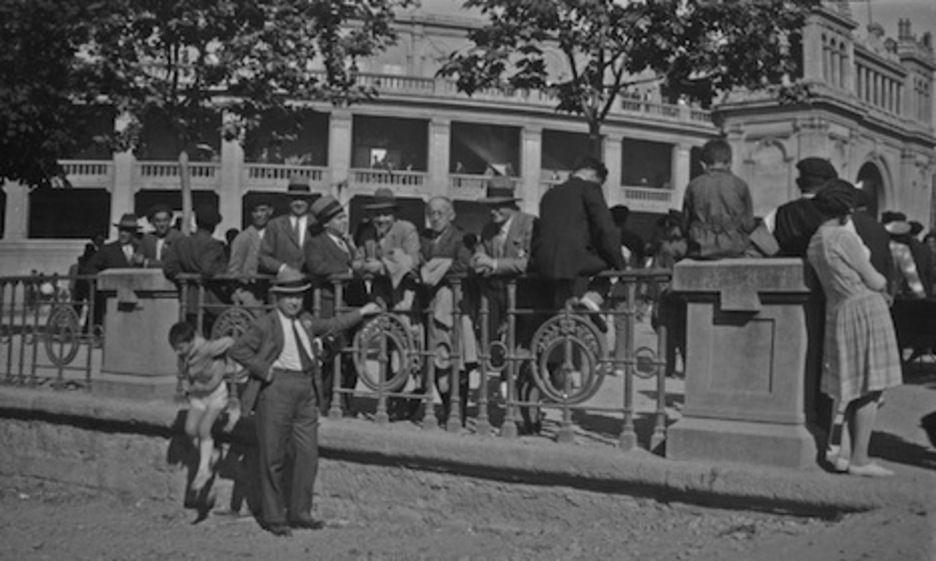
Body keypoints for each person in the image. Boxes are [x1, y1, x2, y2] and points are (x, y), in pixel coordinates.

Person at [228, 268, 380, 536]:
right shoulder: (266, 323)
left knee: (307, 455)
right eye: (289, 297)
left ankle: (300, 513)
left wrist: (362, 312)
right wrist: (264, 369)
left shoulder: (305, 320)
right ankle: (275, 518)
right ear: (277, 298)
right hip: (275, 391)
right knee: (272, 457)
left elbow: (333, 324)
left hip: (305, 392)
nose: (295, 302)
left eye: (298, 296)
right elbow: (238, 349)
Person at [806, 180, 902, 478]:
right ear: (846, 210)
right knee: (872, 387)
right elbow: (875, 280)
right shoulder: (843, 238)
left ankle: (846, 455)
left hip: (840, 311)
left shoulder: (816, 240)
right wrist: (884, 284)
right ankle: (860, 458)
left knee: (852, 388)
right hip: (865, 308)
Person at [532, 155, 626, 331]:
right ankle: (591, 300)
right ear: (592, 175)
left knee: (563, 302)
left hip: (545, 261)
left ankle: (564, 337)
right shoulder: (589, 188)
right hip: (575, 258)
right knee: (609, 268)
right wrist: (621, 265)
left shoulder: (549, 194)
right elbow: (605, 229)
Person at [472, 178, 539, 401]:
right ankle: (502, 386)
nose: (493, 211)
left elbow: (530, 262)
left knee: (523, 349)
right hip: (494, 296)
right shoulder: (487, 229)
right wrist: (480, 263)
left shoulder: (530, 224)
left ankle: (526, 399)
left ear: (512, 205)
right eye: (489, 206)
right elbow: (480, 255)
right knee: (492, 344)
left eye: (499, 205)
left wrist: (494, 265)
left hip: (524, 296)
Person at [302, 195, 366, 412]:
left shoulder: (347, 242)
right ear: (326, 223)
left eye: (344, 217)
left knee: (350, 354)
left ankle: (346, 400)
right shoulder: (316, 243)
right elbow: (316, 267)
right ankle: (326, 401)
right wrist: (347, 272)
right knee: (331, 353)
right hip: (330, 304)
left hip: (351, 303)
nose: (344, 222)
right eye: (339, 219)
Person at [420, 196, 476, 424]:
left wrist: (436, 267)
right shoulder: (425, 239)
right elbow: (417, 264)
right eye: (431, 213)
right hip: (428, 306)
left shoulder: (461, 238)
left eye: (439, 213)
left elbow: (464, 265)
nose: (434, 218)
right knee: (434, 359)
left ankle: (458, 412)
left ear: (451, 215)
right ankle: (446, 407)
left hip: (454, 306)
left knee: (456, 359)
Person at [169, 321, 239, 492]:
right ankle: (211, 454)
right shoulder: (187, 355)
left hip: (215, 395)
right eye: (175, 348)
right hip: (199, 396)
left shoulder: (205, 348)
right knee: (190, 429)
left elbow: (229, 341)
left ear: (191, 341)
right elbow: (189, 374)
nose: (177, 352)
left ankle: (203, 470)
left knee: (204, 430)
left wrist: (227, 361)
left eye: (180, 347)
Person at [682, 139, 756, 259]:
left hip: (700, 249)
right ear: (729, 162)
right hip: (734, 248)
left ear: (703, 163)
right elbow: (748, 224)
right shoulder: (740, 185)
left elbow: (685, 224)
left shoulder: (693, 185)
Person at [353, 187, 420, 310]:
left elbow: (413, 262)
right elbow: (357, 262)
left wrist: (382, 267)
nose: (381, 219)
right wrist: (365, 266)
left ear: (394, 215)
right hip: (378, 294)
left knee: (403, 325)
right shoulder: (367, 234)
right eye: (377, 215)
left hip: (404, 293)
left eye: (386, 214)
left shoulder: (407, 230)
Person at [163, 207, 229, 330]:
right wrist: (224, 269)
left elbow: (169, 267)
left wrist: (184, 276)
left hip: (188, 301)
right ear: (213, 227)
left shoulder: (181, 243)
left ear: (197, 223)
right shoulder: (213, 245)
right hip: (210, 302)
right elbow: (208, 269)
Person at [763, 157, 839, 257]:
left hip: (787, 270)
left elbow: (760, 243)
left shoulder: (778, 212)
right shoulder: (837, 212)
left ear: (798, 183)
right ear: (830, 185)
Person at [258, 176, 316, 275]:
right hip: (282, 285)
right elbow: (263, 257)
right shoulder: (275, 225)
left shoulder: (317, 225)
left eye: (303, 199)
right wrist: (282, 268)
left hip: (311, 285)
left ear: (309, 201)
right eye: (294, 199)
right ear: (288, 200)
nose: (299, 203)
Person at [228, 198, 274, 307]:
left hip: (272, 290)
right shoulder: (243, 237)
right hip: (251, 291)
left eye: (263, 210)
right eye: (255, 211)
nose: (259, 215)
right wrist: (239, 293)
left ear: (270, 211)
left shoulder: (274, 234)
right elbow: (233, 269)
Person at [140, 204, 183, 268]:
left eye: (165, 220)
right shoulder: (147, 239)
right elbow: (139, 259)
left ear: (170, 221)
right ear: (152, 222)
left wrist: (148, 262)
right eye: (158, 221)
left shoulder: (178, 237)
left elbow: (177, 263)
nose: (162, 224)